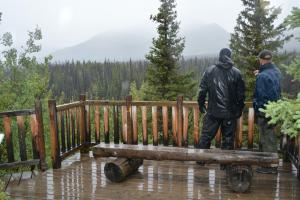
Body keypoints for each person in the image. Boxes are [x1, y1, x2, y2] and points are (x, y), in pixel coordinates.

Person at [197, 48, 245, 156]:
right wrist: (239, 110)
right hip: (230, 113)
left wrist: (201, 105)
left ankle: (201, 159)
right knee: (228, 139)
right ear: (230, 56)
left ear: (219, 56)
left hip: (213, 112)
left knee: (206, 136)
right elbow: (241, 95)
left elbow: (202, 90)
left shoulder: (209, 70)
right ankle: (225, 163)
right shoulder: (237, 73)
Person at [253, 49, 281, 174]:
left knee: (266, 137)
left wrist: (257, 109)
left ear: (261, 60)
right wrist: (260, 73)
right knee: (271, 136)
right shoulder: (276, 72)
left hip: (265, 110)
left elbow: (260, 95)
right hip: (275, 109)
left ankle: (270, 166)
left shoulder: (262, 76)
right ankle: (270, 163)